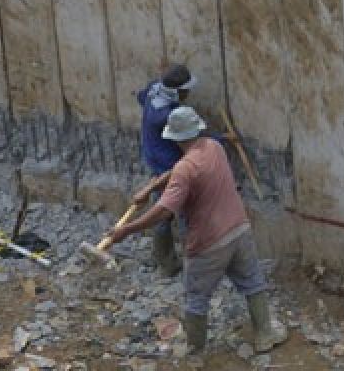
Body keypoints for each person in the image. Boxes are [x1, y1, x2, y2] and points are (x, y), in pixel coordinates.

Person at [105, 106, 287, 355]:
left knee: (197, 300)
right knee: (253, 283)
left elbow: (164, 211)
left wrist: (126, 230)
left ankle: (194, 351)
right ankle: (264, 335)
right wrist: (152, 187)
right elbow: (181, 169)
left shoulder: (185, 170)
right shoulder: (214, 147)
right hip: (238, 229)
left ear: (174, 137)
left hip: (208, 243)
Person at [137, 64, 197, 276]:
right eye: (185, 90)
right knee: (181, 213)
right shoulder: (165, 115)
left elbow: (140, 97)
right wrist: (223, 139)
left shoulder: (154, 90)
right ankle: (183, 264)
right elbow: (194, 139)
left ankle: (164, 259)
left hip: (154, 158)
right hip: (168, 166)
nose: (188, 94)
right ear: (175, 91)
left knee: (162, 211)